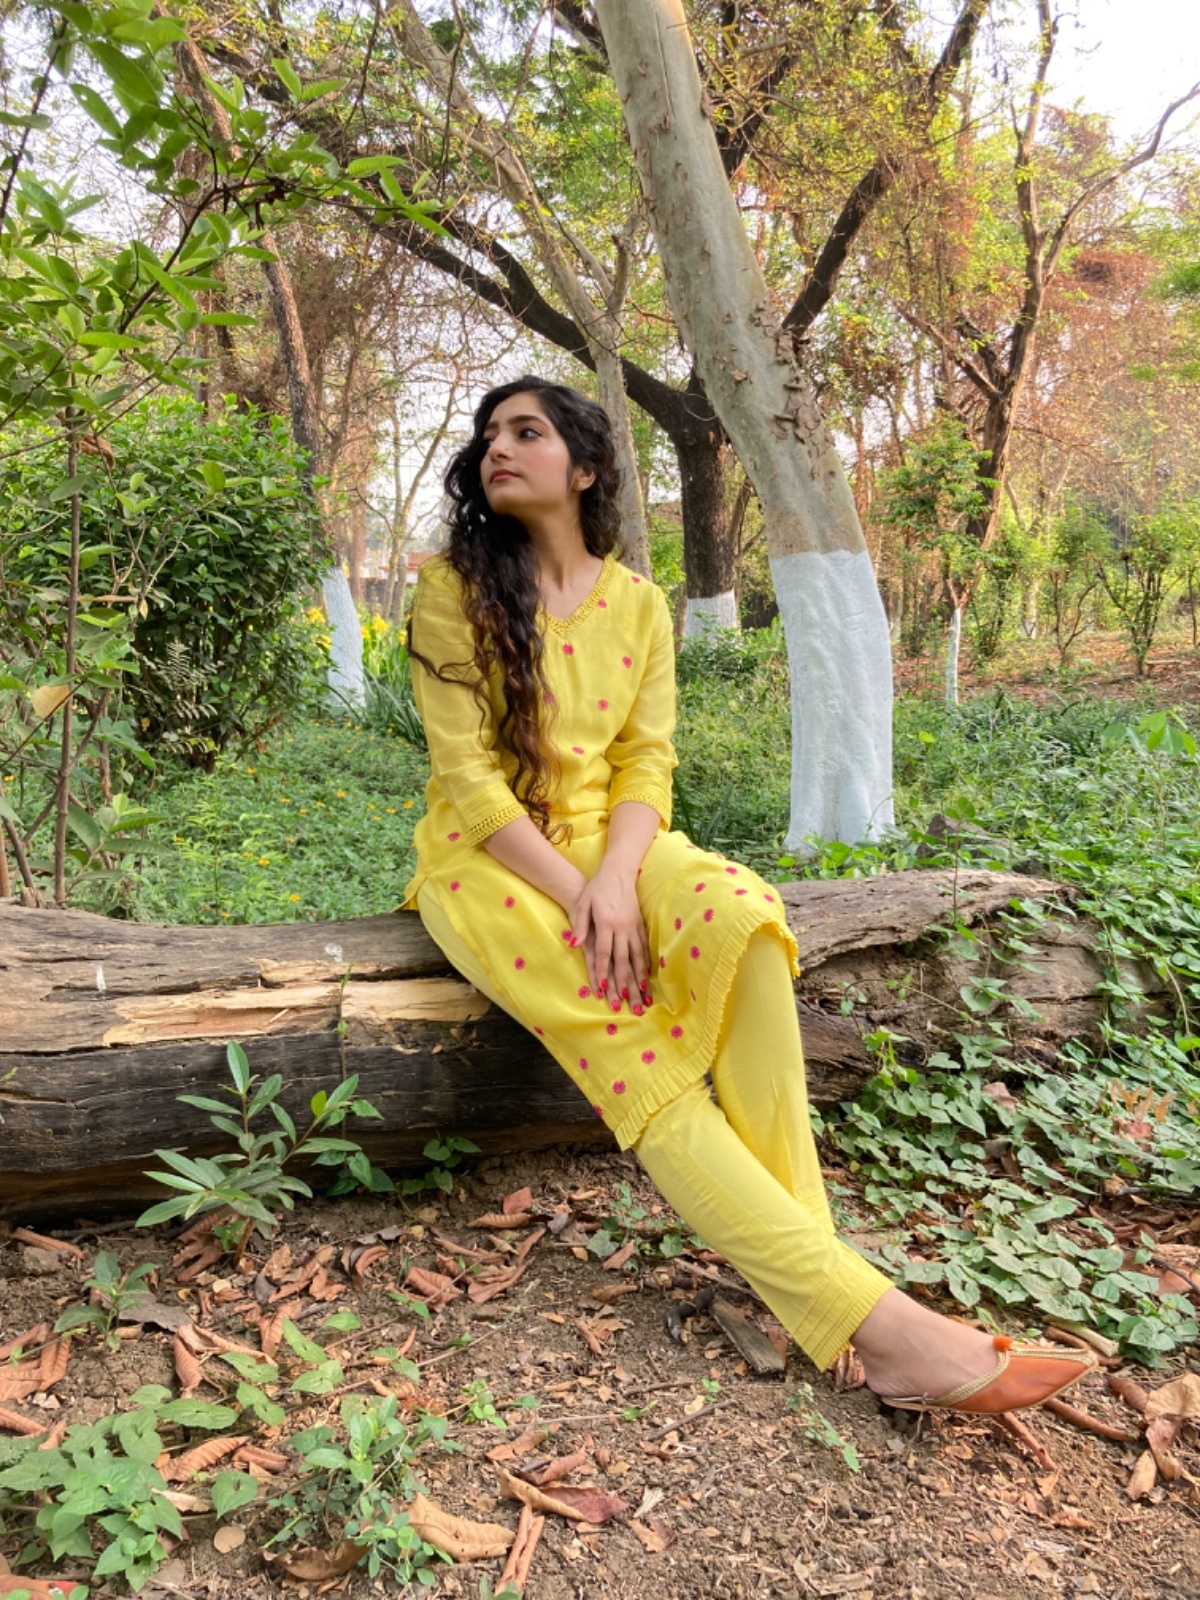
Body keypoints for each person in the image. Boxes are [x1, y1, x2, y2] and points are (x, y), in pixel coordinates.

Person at [397, 375, 1097, 1414]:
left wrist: (618, 878)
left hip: (619, 845)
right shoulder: (454, 589)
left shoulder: (638, 604)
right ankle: (880, 1327)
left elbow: (646, 764)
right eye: (490, 433)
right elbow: (468, 781)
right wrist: (584, 895)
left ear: (585, 467)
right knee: (639, 1047)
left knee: (746, 922)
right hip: (489, 861)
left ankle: (813, 1281)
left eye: (527, 431)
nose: (497, 447)